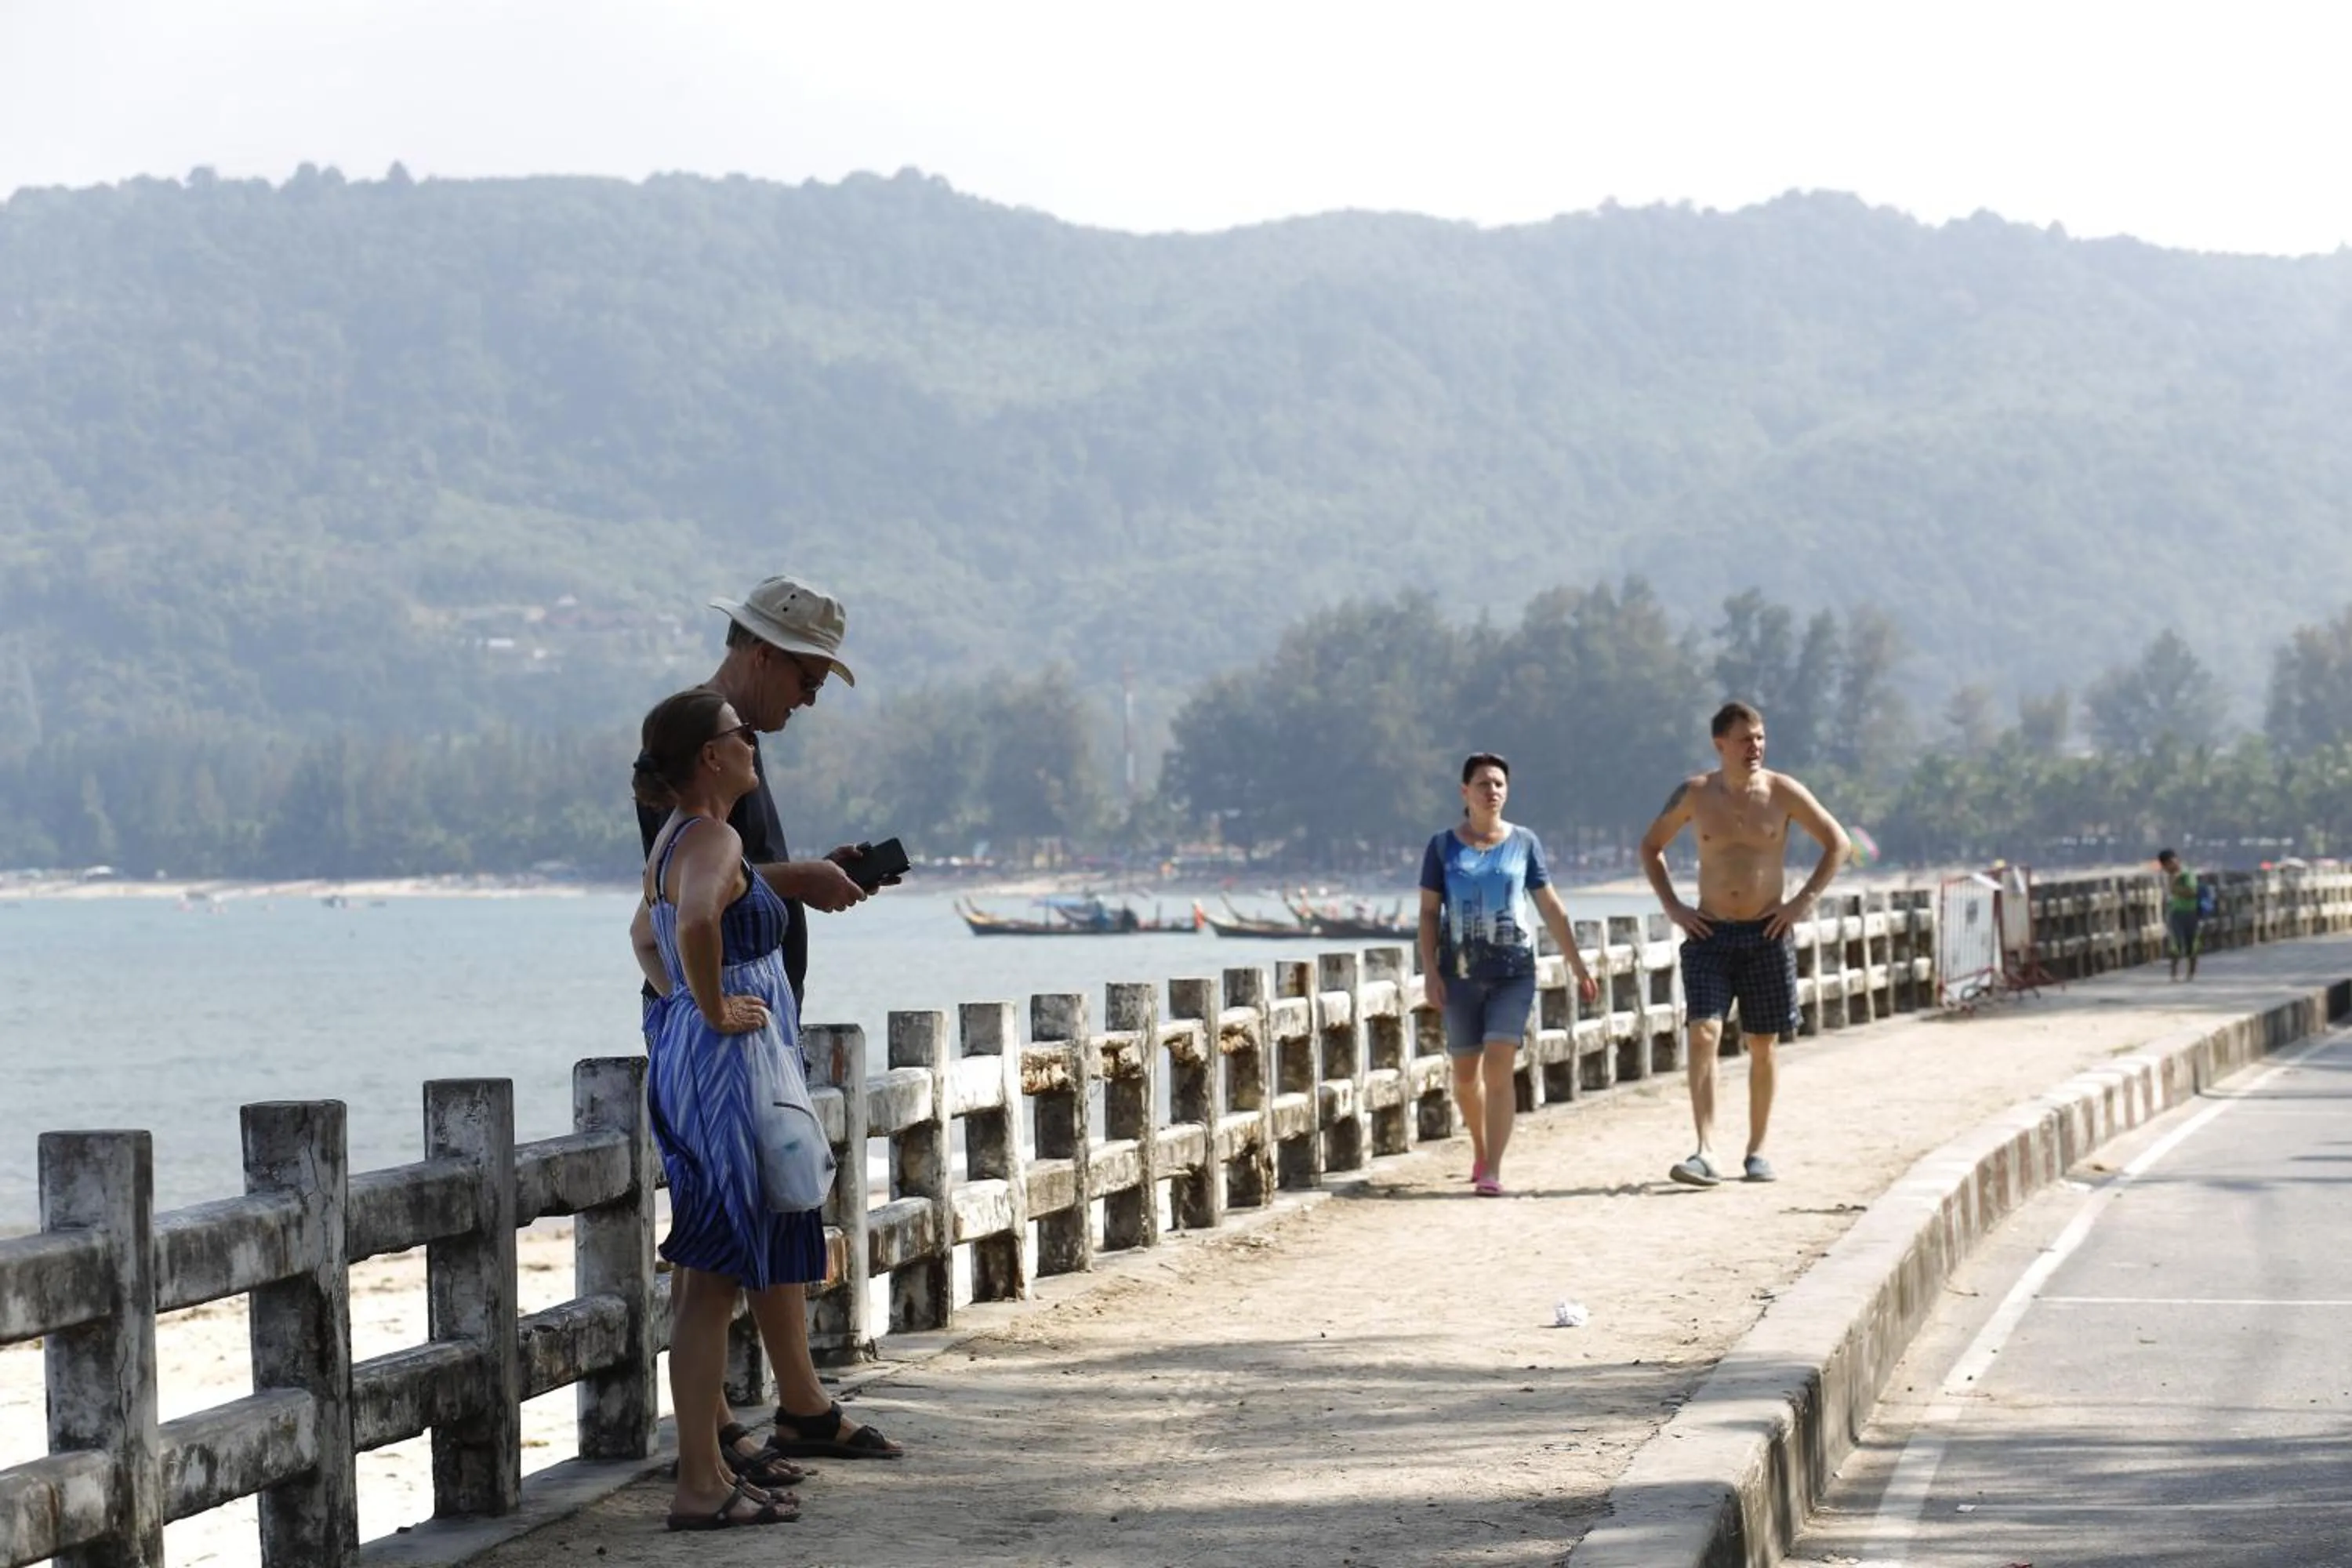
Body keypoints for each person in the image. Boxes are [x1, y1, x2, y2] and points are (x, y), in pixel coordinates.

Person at [636, 575, 903, 1484]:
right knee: (722, 1235)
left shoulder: (721, 745)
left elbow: (677, 902)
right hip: (729, 1035)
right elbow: (689, 895)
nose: (810, 695)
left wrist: (802, 876)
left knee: (761, 1210)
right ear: (760, 654)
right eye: (806, 675)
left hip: (743, 1021)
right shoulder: (701, 743)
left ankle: (773, 1414)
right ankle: (723, 1446)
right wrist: (701, 1011)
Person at [629, 688, 816, 1530]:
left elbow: (645, 932)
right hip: (723, 1071)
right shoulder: (713, 834)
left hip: (697, 1062)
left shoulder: (675, 838)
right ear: (711, 756)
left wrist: (677, 1006)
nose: (752, 744)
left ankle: (706, 1470)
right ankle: (699, 1482)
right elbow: (699, 917)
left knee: (711, 1275)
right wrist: (709, 1008)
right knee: (711, 1278)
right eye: (740, 735)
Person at [1637, 702, 1849, 1188]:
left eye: (1759, 737)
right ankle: (1705, 1150)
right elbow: (1651, 847)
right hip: (1709, 932)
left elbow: (1836, 842)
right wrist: (1673, 906)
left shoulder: (1782, 791)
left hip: (1766, 934)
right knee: (1703, 1032)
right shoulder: (1694, 794)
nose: (1754, 747)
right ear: (1720, 744)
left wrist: (1800, 903)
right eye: (1744, 739)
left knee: (1762, 1043)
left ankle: (1756, 1151)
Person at [1417, 753, 1599, 1197]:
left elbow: (1550, 907)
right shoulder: (1442, 847)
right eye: (1482, 784)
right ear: (1465, 793)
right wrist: (1429, 971)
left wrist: (1577, 963)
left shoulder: (1524, 843)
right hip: (1458, 974)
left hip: (1513, 972)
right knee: (1465, 1075)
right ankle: (1480, 1147)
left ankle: (1494, 1169)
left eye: (1499, 784)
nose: (1492, 791)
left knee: (1499, 1064)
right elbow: (1427, 913)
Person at [2158, 848, 2201, 981]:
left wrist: (2175, 888)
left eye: (2169, 864)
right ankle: (2174, 974)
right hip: (2176, 912)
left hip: (2191, 912)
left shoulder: (2187, 874)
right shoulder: (2170, 877)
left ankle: (2191, 974)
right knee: (2175, 944)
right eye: (2165, 866)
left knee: (2191, 944)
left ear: (2175, 861)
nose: (2168, 868)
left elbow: (2192, 892)